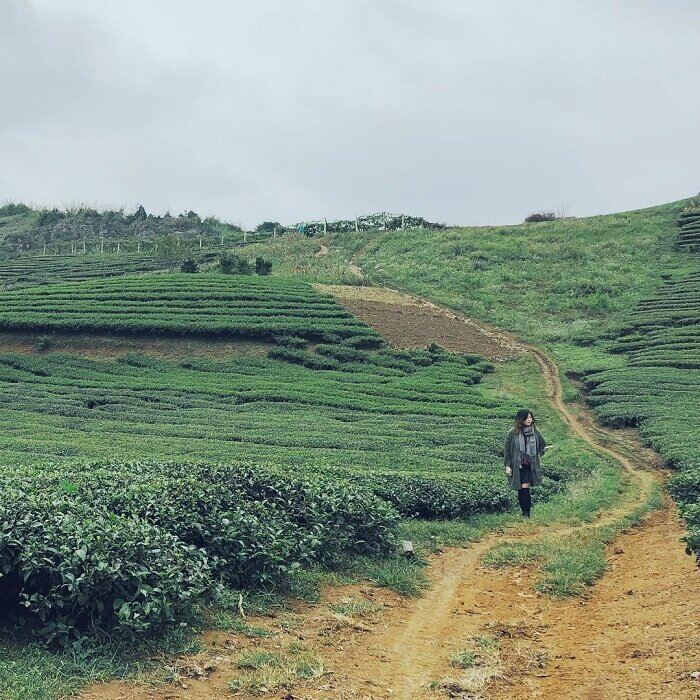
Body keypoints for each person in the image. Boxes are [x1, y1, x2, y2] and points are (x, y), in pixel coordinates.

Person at [504, 409, 546, 518]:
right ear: (521, 419)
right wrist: (507, 465)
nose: (529, 420)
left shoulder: (535, 432)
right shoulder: (512, 433)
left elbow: (542, 445)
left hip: (529, 466)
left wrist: (537, 455)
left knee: (525, 488)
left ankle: (526, 514)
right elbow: (507, 451)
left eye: (531, 417)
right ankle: (524, 512)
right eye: (527, 418)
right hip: (517, 466)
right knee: (520, 489)